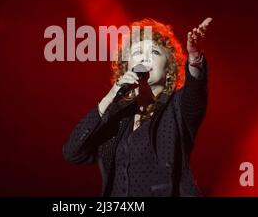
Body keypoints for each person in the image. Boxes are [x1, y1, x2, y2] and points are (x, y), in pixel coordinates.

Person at [62, 17, 212, 197]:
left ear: (168, 69)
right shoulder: (117, 116)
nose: (145, 57)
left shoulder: (177, 107)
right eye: (138, 52)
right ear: (127, 66)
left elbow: (195, 91)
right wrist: (111, 96)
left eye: (155, 52)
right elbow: (73, 152)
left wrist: (195, 59)